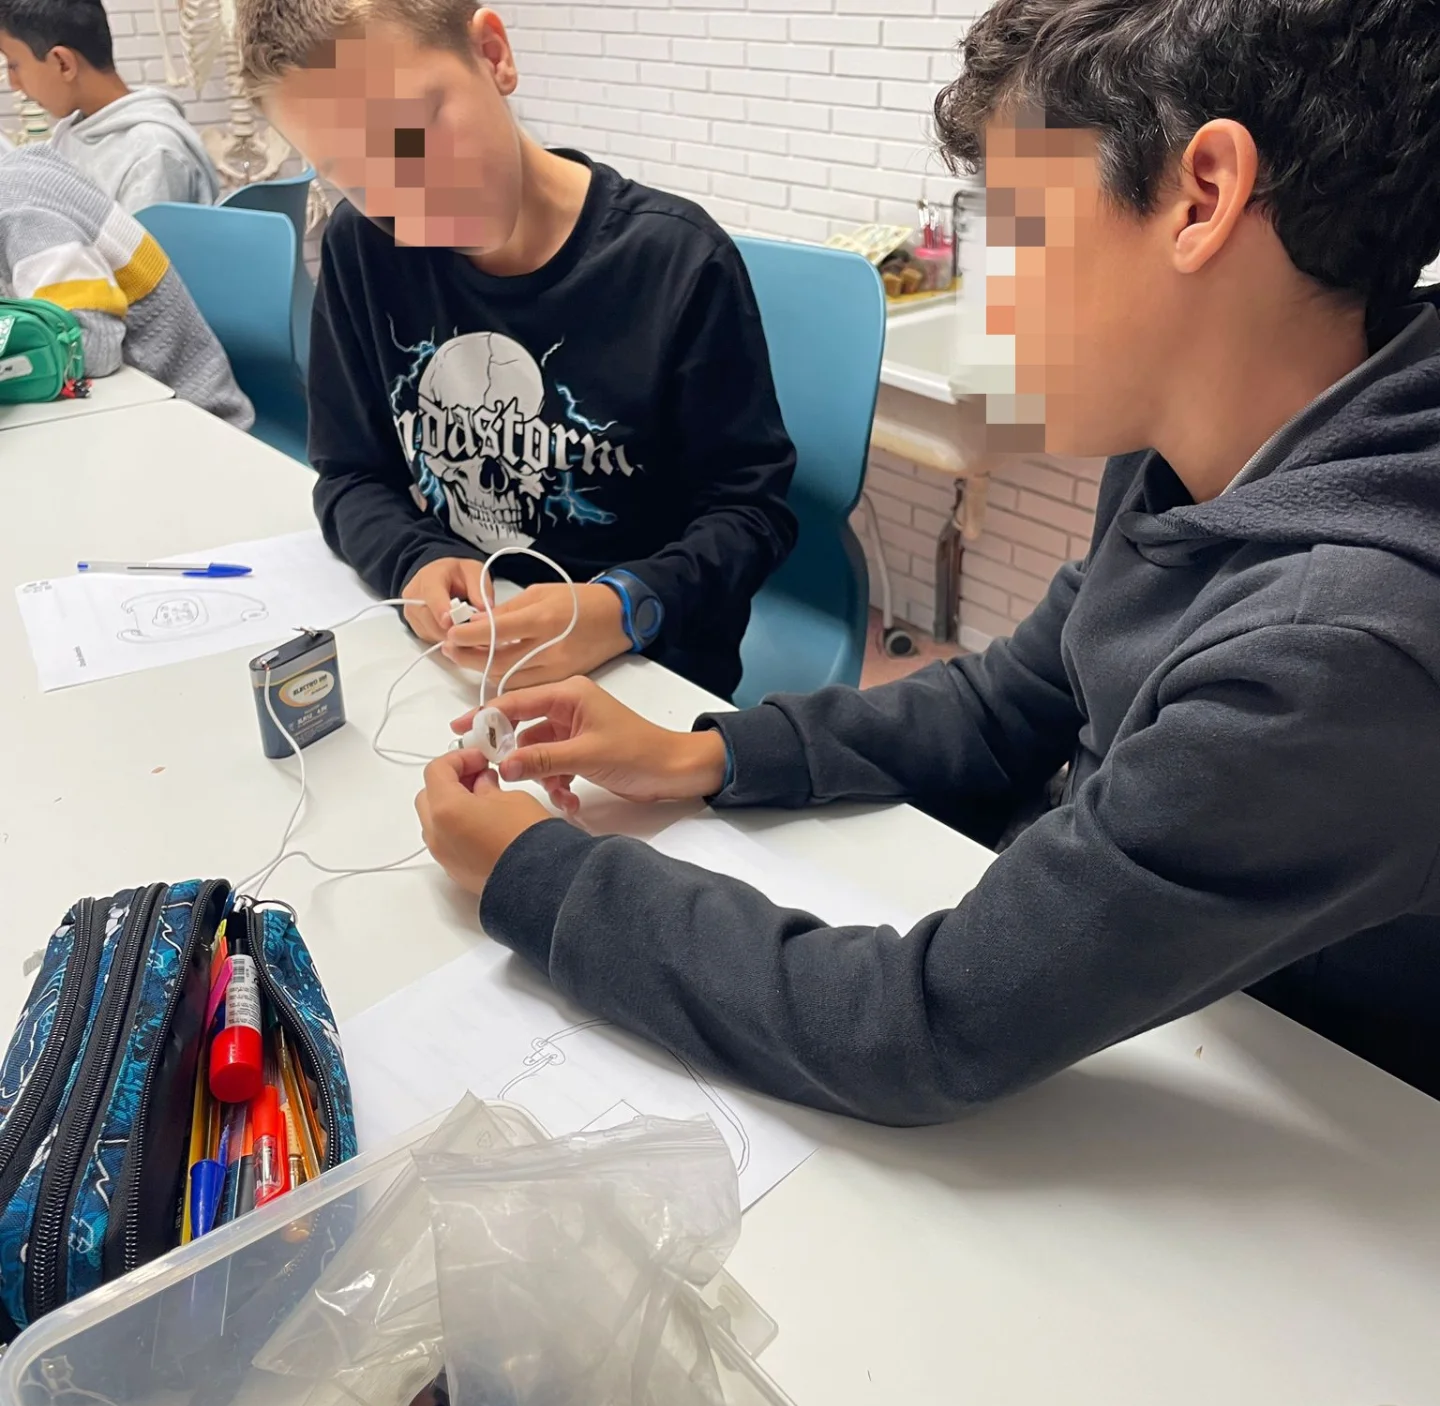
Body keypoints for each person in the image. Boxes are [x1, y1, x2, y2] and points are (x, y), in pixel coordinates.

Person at [414, 0, 1440, 1122]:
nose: (992, 297)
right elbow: (1013, 700)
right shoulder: (1197, 451)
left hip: (1321, 1118)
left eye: (1018, 230)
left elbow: (924, 1025)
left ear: (1203, 197)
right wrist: (705, 752)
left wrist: (539, 877)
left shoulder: (1332, 651)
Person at [233, 1, 796, 702]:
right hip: (461, 665)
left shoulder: (676, 261)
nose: (406, 194)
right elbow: (350, 474)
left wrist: (625, 607)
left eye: (413, 130)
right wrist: (414, 559)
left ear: (492, 54)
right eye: (350, 170)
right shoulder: (363, 247)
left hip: (646, 674)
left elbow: (751, 513)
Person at [0, 146, 252, 426]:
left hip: (193, 416)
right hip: (128, 408)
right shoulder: (17, 173)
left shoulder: (23, 217)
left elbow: (95, 347)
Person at [0, 0, 219, 210]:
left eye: (13, 65)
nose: (14, 84)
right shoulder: (71, 133)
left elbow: (141, 239)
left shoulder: (153, 153)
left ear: (63, 63)